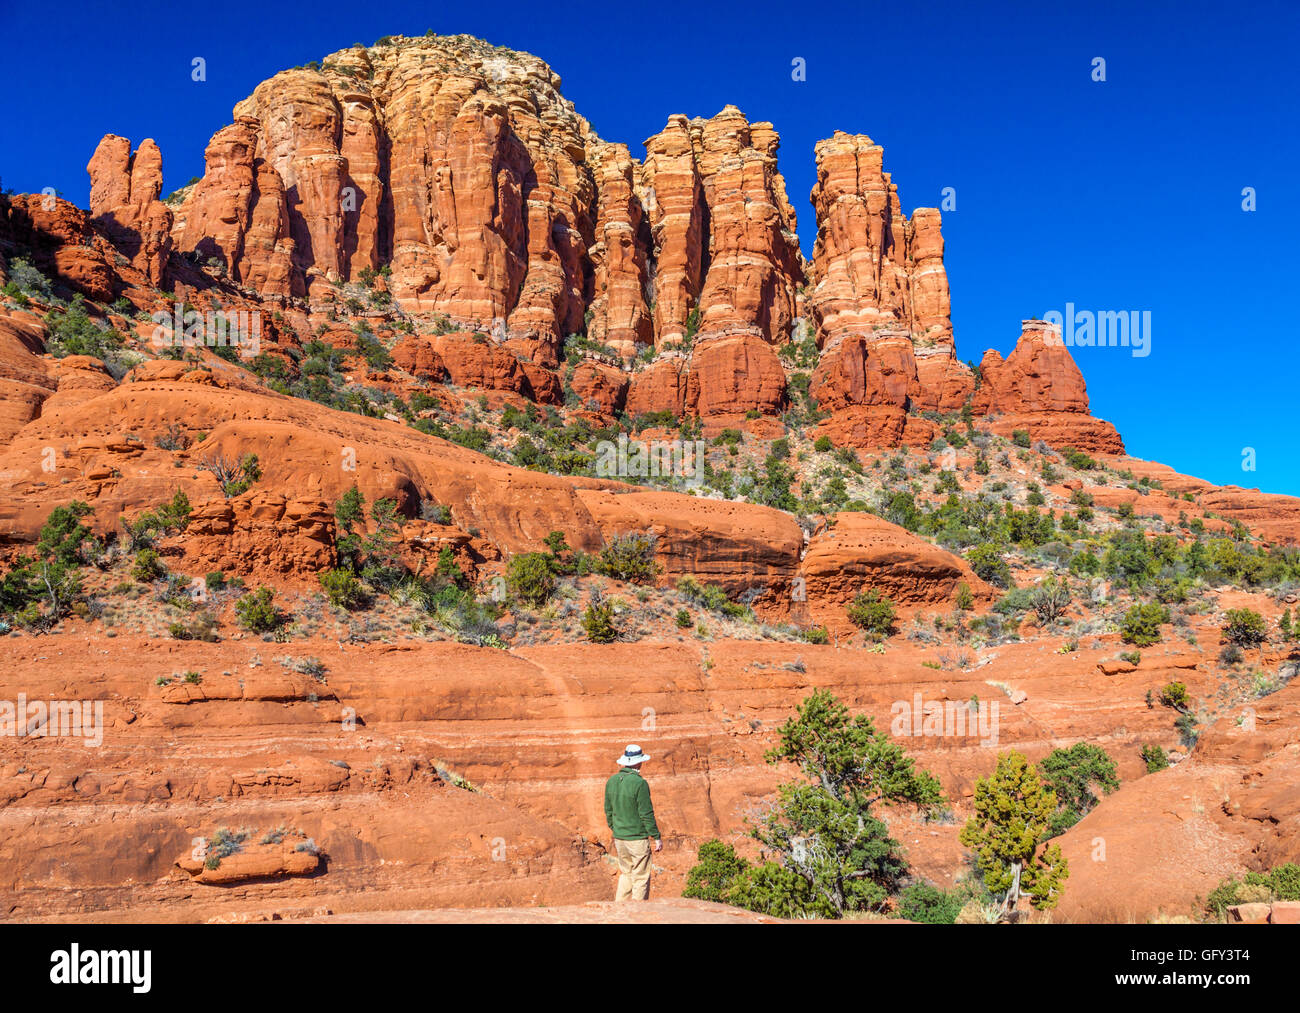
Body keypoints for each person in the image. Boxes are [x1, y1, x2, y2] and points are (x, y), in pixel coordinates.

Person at [603, 744, 662, 901]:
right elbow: (646, 813)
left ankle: (620, 909)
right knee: (640, 877)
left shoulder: (612, 781)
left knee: (626, 873)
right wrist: (656, 836)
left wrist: (616, 828)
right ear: (638, 762)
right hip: (637, 838)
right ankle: (637, 914)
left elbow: (608, 810)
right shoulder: (639, 783)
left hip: (620, 838)